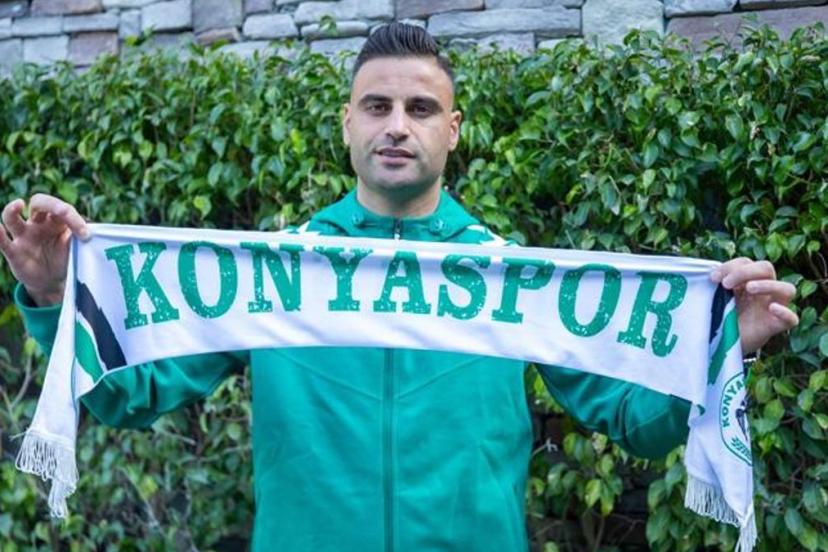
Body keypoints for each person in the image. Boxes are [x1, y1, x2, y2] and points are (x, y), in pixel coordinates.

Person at [0, 23, 798, 551]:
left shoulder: (515, 278)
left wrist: (724, 343)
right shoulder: (271, 271)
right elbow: (128, 394)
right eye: (377, 105)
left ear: (453, 129)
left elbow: (635, 418)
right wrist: (55, 295)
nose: (396, 124)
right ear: (347, 122)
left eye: (421, 108)